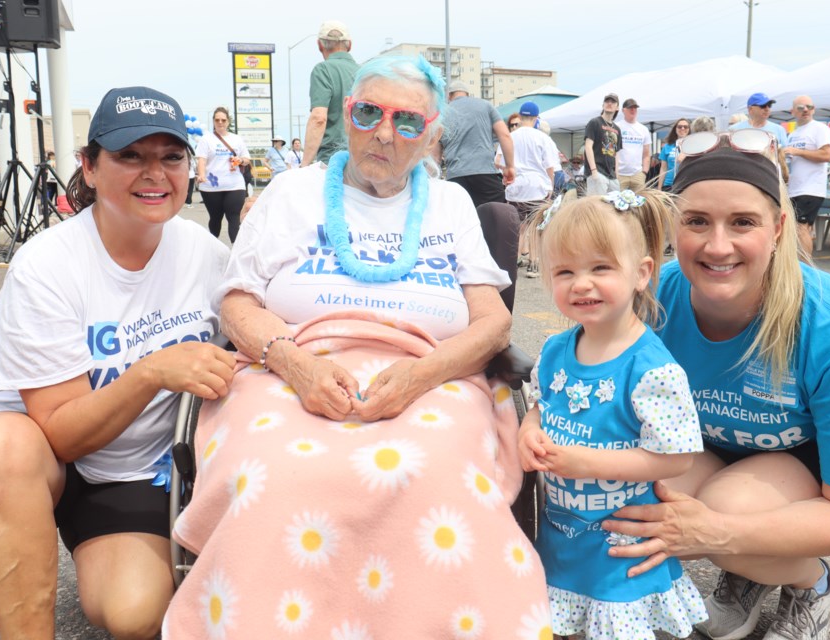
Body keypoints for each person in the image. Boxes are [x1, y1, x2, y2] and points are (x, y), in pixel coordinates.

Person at [163, 55, 551, 638]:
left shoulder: (449, 204)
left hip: (434, 373)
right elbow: (238, 305)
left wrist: (420, 377)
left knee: (439, 470)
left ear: (432, 133)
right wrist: (298, 367)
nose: (385, 132)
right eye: (369, 112)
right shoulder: (292, 193)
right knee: (277, 473)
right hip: (289, 367)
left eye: (408, 121)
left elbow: (492, 324)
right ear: (348, 115)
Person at [601, 137, 830, 640]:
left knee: (722, 511)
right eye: (697, 221)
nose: (717, 245)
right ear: (672, 228)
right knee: (628, 496)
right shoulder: (650, 297)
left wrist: (716, 534)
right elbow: (582, 381)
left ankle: (811, 583)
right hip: (732, 444)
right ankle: (751, 565)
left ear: (778, 229)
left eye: (743, 222)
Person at [0, 86, 234, 639]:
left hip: (141, 467)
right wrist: (152, 370)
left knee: (135, 616)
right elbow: (61, 434)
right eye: (130, 155)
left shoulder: (209, 255)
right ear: (88, 167)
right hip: (52, 454)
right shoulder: (47, 265)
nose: (154, 173)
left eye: (170, 156)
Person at [519, 191, 707, 639]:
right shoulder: (555, 350)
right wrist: (529, 430)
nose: (581, 284)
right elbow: (542, 407)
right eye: (565, 271)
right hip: (564, 537)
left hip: (623, 548)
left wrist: (588, 464)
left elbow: (677, 458)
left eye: (600, 268)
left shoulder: (652, 370)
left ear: (641, 273)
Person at [438, 79, 515, 207]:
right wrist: (510, 166)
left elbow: (436, 147)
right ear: (467, 94)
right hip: (485, 173)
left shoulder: (443, 113)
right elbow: (505, 135)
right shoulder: (486, 105)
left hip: (456, 177)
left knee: (460, 220)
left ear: (449, 96)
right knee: (496, 217)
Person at [506, 101, 556, 278]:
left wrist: (509, 175)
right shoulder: (543, 138)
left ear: (519, 117)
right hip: (537, 187)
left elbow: (498, 161)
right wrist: (550, 185)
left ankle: (513, 261)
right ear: (536, 118)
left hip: (516, 188)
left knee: (517, 227)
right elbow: (550, 166)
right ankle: (533, 264)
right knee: (535, 227)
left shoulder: (510, 136)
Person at [301, 19, 359, 166]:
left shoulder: (323, 70)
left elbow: (319, 118)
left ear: (320, 45)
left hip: (332, 158)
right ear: (350, 45)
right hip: (361, 157)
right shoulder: (364, 73)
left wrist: (305, 164)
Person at [784, 95, 830, 256]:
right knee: (797, 229)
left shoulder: (820, 129)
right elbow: (791, 161)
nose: (805, 110)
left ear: (813, 109)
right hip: (795, 188)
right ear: (793, 111)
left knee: (801, 227)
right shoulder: (793, 134)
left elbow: (826, 155)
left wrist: (798, 151)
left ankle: (806, 269)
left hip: (811, 188)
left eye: (809, 107)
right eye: (800, 108)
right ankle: (799, 265)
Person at [196, 107, 250, 242]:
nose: (220, 122)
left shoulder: (237, 139)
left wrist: (240, 160)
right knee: (215, 218)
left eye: (223, 120)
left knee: (234, 218)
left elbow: (246, 159)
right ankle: (213, 249)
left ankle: (236, 254)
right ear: (213, 121)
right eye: (217, 120)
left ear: (228, 122)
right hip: (212, 186)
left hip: (234, 185)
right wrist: (201, 175)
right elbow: (201, 159)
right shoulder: (206, 139)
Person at [583, 93, 622, 196]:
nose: (609, 103)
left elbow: (616, 153)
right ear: (603, 105)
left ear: (617, 107)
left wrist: (616, 174)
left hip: (612, 176)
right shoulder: (594, 122)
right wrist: (594, 171)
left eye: (613, 102)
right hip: (597, 172)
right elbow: (588, 146)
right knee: (596, 208)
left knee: (615, 208)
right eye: (607, 101)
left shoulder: (617, 129)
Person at [616, 98, 652, 192]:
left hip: (638, 174)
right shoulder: (616, 127)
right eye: (630, 108)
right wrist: (614, 172)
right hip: (620, 174)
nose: (633, 110)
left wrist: (644, 171)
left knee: (640, 203)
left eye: (635, 108)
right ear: (623, 110)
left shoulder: (643, 129)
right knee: (617, 203)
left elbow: (647, 153)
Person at [657, 118, 689, 192]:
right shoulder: (667, 146)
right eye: (679, 126)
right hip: (669, 184)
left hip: (686, 183)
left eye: (685, 127)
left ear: (689, 130)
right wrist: (659, 188)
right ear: (675, 129)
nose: (682, 128)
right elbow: (663, 168)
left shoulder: (693, 146)